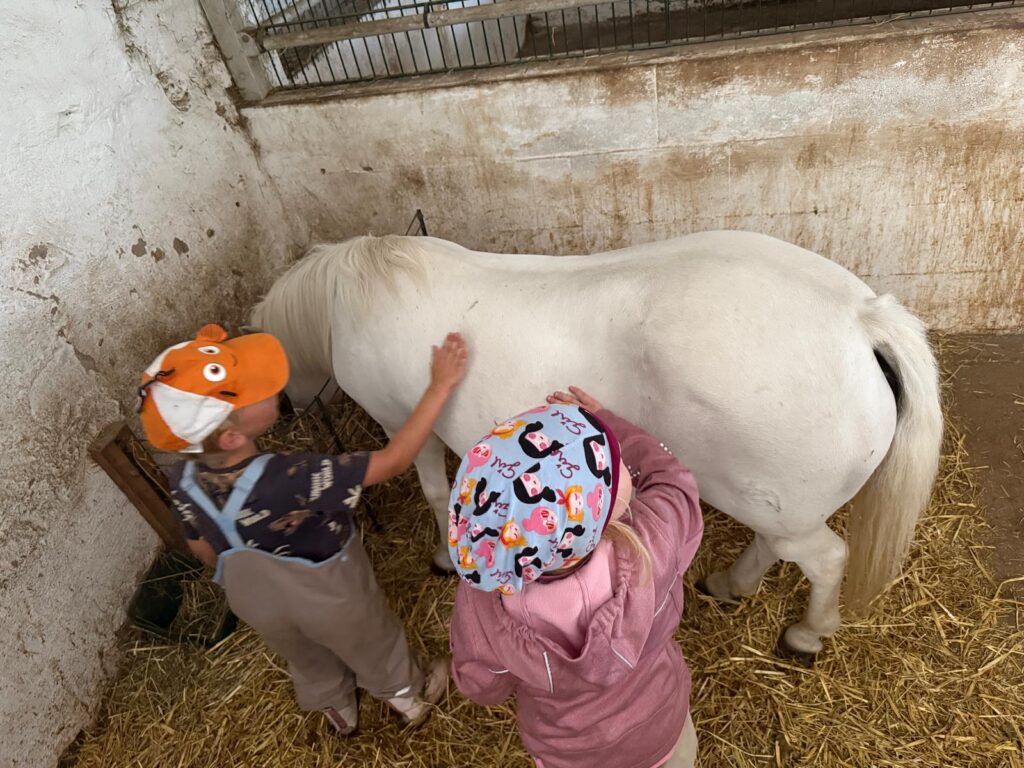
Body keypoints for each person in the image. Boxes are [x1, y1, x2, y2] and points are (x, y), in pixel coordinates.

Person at [136, 322, 468, 735]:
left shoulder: (183, 480)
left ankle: (339, 712)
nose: (271, 386)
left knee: (304, 656)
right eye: (255, 389)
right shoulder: (292, 475)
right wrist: (439, 387)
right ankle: (408, 697)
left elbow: (202, 548)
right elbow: (394, 461)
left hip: (256, 603)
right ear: (231, 438)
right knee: (372, 642)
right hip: (331, 593)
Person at [448, 386, 704, 768]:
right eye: (610, 475)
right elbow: (675, 481)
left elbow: (480, 685)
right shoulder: (653, 546)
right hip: (657, 727)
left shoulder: (483, 606)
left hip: (570, 754)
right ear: (598, 519)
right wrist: (612, 425)